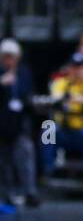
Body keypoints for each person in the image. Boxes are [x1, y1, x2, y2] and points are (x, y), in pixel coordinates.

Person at [0, 39, 39, 207]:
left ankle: (30, 192)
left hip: (20, 123)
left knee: (26, 155)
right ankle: (6, 193)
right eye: (5, 57)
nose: (9, 60)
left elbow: (28, 94)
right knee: (4, 162)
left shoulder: (24, 72)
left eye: (12, 57)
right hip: (2, 123)